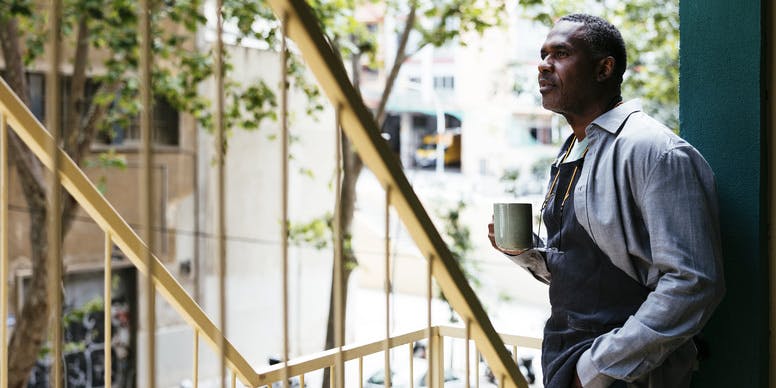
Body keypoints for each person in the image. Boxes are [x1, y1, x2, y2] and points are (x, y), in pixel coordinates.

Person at [487, 14, 725, 388]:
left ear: (604, 68)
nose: (543, 64)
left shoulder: (654, 151)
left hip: (627, 374)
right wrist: (527, 254)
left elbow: (693, 283)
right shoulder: (572, 150)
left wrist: (596, 369)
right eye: (543, 54)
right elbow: (589, 269)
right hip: (565, 359)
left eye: (560, 53)